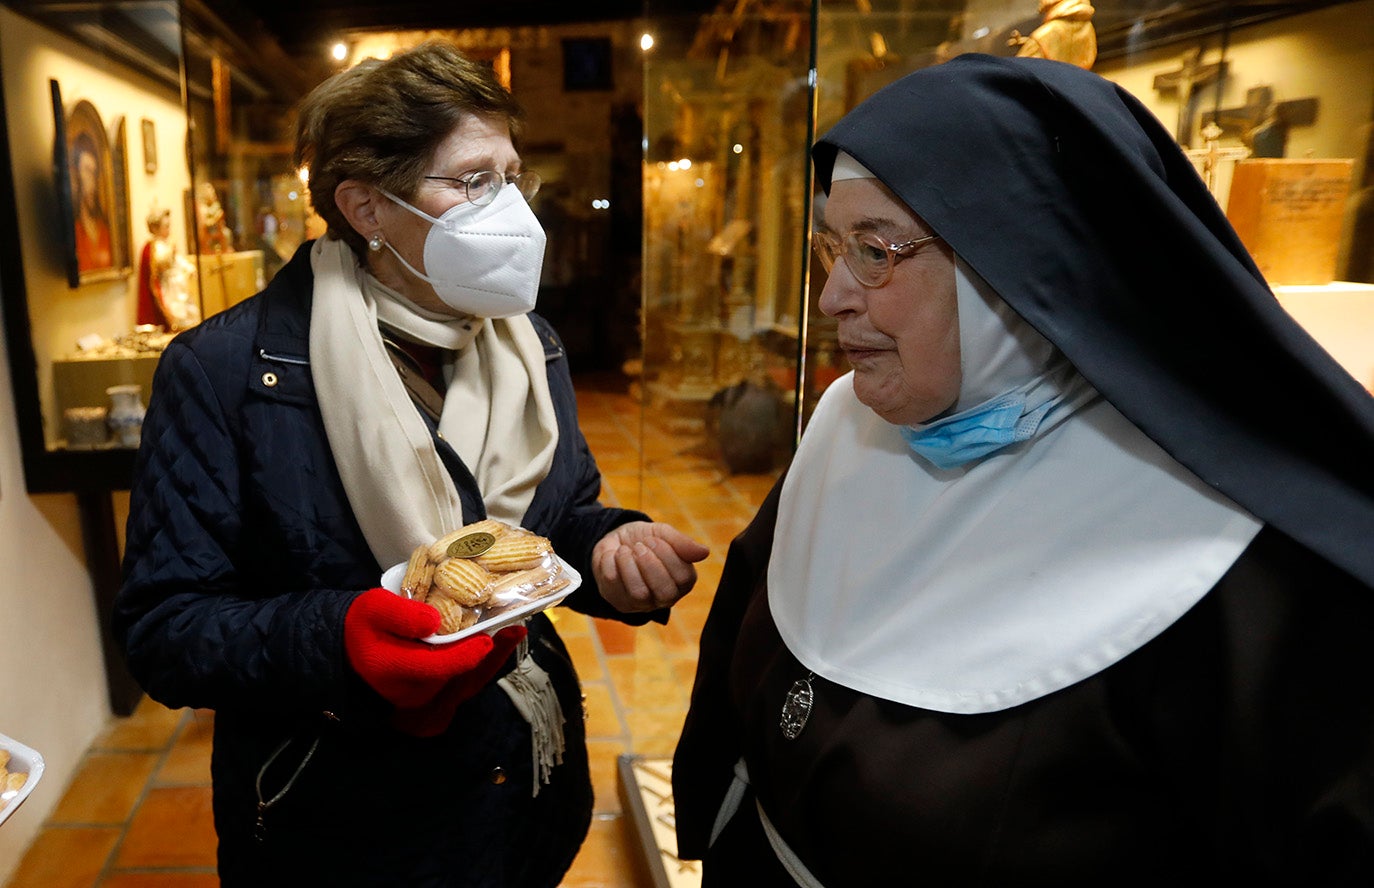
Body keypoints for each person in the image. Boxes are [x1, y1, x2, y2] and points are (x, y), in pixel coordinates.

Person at [672, 53, 1374, 885]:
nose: (831, 298)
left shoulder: (1236, 569)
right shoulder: (840, 432)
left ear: (1015, 274)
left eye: (874, 251)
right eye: (831, 246)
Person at [114, 40, 709, 888]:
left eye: (511, 174)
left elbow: (552, 520)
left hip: (521, 789)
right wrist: (341, 637)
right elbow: (165, 628)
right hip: (339, 817)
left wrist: (613, 547)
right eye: (470, 181)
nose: (508, 207)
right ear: (366, 209)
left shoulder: (527, 343)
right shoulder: (226, 371)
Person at [136, 205, 200, 330]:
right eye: (166, 227)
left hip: (177, 285)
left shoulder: (169, 244)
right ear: (155, 228)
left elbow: (178, 260)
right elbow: (159, 267)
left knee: (185, 310)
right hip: (167, 287)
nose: (169, 230)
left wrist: (189, 268)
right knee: (174, 311)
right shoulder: (152, 248)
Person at [72, 134, 113, 272]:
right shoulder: (74, 230)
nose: (92, 181)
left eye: (94, 173)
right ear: (76, 174)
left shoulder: (104, 229)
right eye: (87, 171)